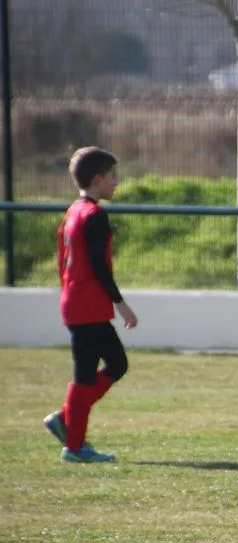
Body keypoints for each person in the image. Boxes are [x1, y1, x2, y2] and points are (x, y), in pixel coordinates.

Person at [43, 146, 138, 463]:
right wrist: (121, 303)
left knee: (110, 364)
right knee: (95, 371)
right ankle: (73, 442)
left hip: (75, 301)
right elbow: (99, 264)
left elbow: (64, 260)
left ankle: (68, 424)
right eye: (113, 177)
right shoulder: (94, 215)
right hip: (89, 305)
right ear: (98, 179)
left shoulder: (73, 211)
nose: (116, 183)